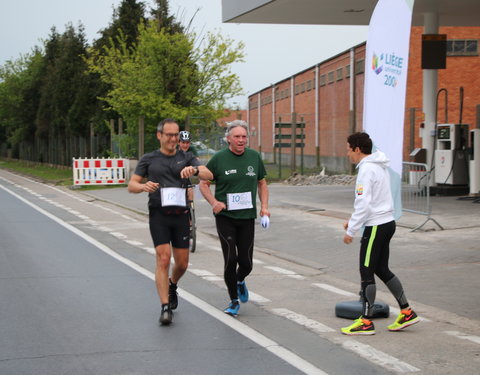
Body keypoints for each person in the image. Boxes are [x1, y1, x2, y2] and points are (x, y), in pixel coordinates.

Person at [128, 118, 213, 326]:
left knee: (182, 263)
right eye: (169, 135)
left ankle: (172, 284)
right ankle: (165, 307)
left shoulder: (188, 157)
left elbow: (209, 174)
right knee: (163, 258)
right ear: (159, 136)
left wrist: (194, 170)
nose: (173, 139)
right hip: (159, 215)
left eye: (176, 135)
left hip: (181, 215)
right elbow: (132, 185)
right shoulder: (149, 159)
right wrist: (143, 187)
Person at [341, 132, 420, 335]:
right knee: (382, 269)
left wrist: (351, 230)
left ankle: (366, 322)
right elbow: (374, 201)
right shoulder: (378, 165)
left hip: (376, 226)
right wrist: (354, 221)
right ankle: (406, 311)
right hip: (386, 223)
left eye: (348, 148)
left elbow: (364, 203)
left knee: (366, 271)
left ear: (357, 149)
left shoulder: (367, 169)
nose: (347, 153)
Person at [199, 120, 270, 317]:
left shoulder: (254, 157)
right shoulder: (219, 159)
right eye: (237, 137)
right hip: (226, 217)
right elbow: (203, 183)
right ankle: (233, 300)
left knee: (246, 263)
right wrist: (214, 202)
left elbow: (262, 183)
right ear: (228, 139)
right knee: (230, 259)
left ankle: (240, 280)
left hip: (247, 217)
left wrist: (264, 207)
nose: (241, 140)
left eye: (244, 137)